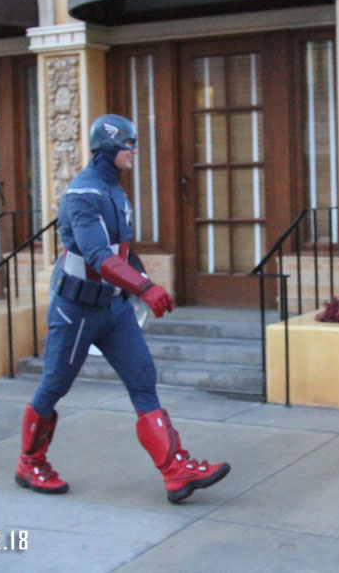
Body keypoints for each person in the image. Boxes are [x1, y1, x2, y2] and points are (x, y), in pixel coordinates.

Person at [15, 114, 230, 502]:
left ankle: (175, 470)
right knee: (55, 385)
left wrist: (139, 285)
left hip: (112, 307)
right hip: (76, 308)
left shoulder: (114, 191)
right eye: (128, 144)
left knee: (143, 378)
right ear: (109, 148)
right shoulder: (83, 194)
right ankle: (30, 462)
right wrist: (145, 288)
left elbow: (122, 252)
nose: (135, 151)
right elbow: (98, 255)